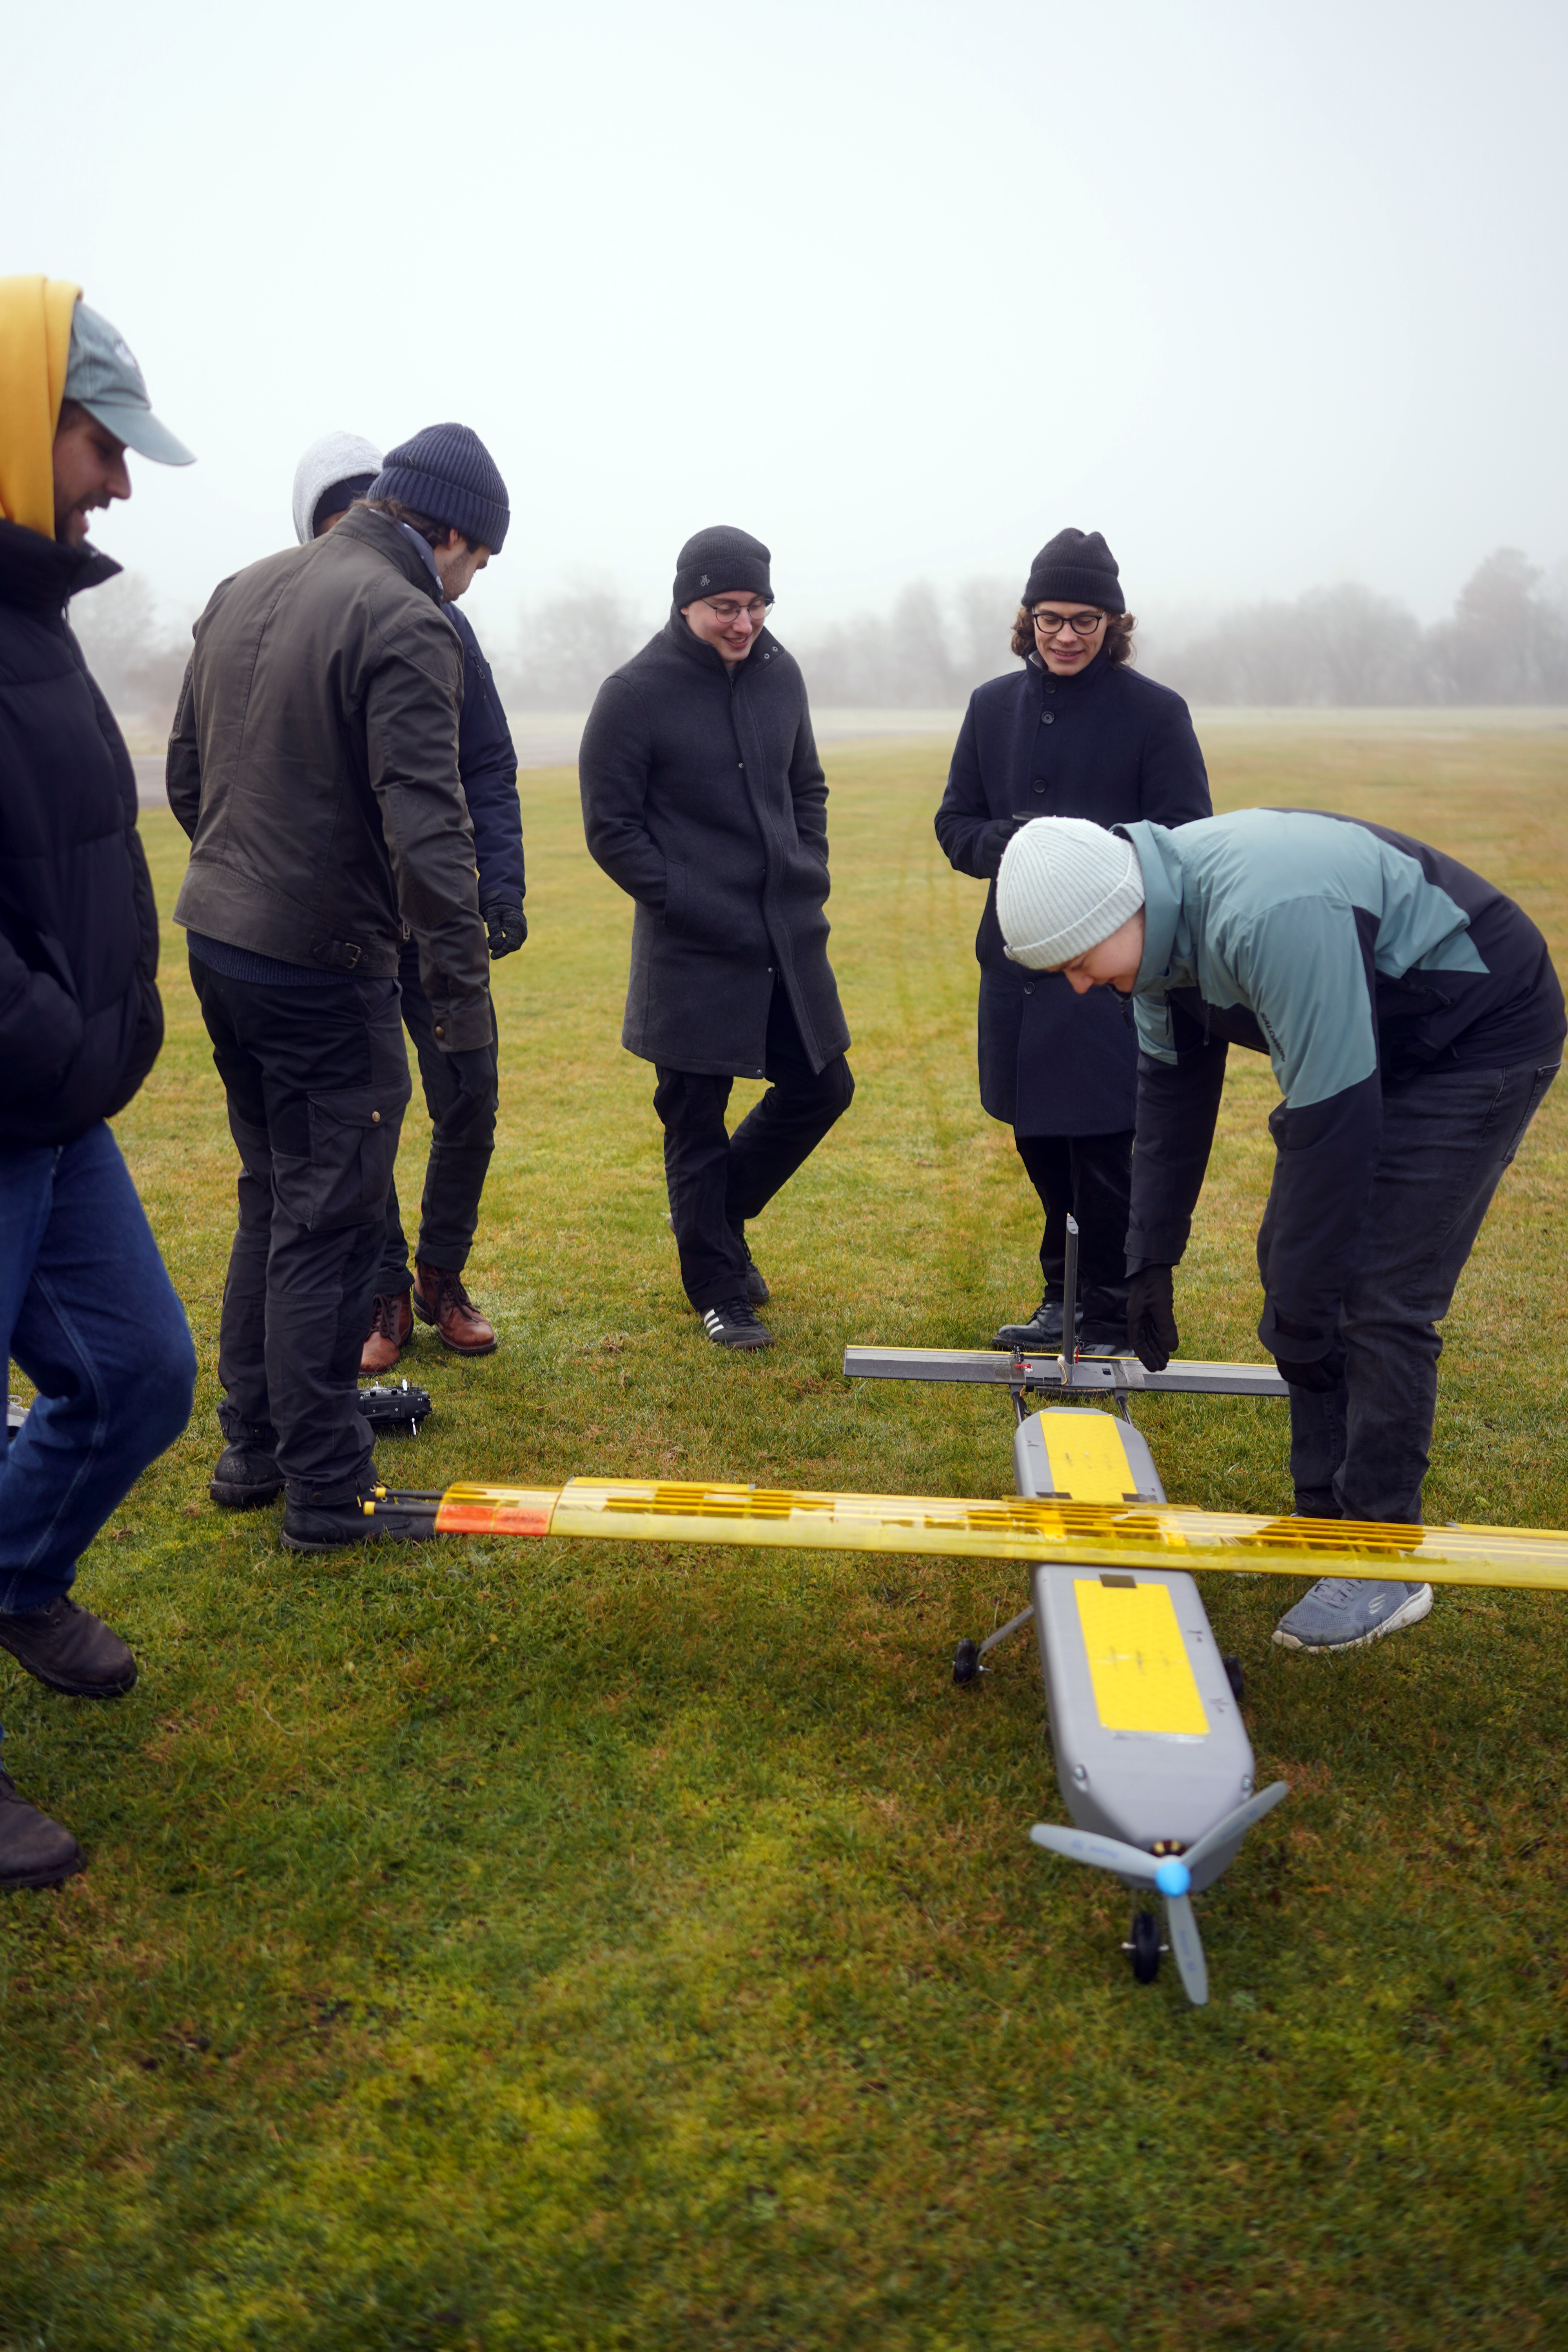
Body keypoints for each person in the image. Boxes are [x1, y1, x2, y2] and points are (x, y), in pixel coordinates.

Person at [996, 808, 1564, 1652]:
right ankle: (1324, 1526)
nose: (1078, 984)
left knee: (1375, 1295)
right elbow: (1170, 1104)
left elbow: (1332, 1124)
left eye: (1078, 962)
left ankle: (1382, 1558)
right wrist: (1148, 1258)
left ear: (1121, 912)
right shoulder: (1153, 941)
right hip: (1380, 1040)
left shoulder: (1265, 915)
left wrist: (1300, 1304)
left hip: (1473, 1036)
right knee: (1298, 1266)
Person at [167, 424, 507, 1551]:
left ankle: (250, 1443)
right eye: (480, 561)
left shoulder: (244, 587)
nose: (473, 584)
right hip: (321, 970)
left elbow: (187, 779)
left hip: (220, 943)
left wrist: (252, 880)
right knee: (328, 1216)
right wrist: (457, 1001)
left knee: (274, 1194)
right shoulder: (411, 619)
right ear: (448, 533)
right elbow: (431, 835)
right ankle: (324, 1486)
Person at [0, 276, 198, 1884]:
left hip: (50, 1113)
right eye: (100, 442)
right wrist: (55, 1040)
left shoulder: (31, 610)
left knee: (139, 1373)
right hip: (15, 1091)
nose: (120, 481)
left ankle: (15, 1575)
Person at [935, 529, 1210, 1353]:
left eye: (1084, 621)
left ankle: (1109, 1307)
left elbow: (1185, 836)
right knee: (1036, 1137)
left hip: (1110, 965)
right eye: (1050, 618)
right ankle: (1063, 1297)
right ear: (1026, 619)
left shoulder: (1155, 713)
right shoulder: (990, 707)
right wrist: (1010, 847)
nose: (1065, 635)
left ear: (1113, 624)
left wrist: (1089, 858)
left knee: (1101, 1144)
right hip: (1017, 968)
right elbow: (955, 826)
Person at [579, 525, 853, 1350]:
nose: (743, 623)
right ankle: (716, 1287)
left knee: (823, 1089)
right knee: (693, 1116)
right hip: (691, 951)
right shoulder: (632, 693)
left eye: (756, 605)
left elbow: (806, 785)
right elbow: (611, 830)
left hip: (786, 938)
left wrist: (807, 864)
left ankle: (715, 1218)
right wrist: (687, 901)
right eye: (723, 607)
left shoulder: (781, 673)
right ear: (685, 600)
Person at [288, 432, 526, 1374]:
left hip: (438, 925)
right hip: (346, 937)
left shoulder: (444, 625)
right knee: (369, 1119)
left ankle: (440, 1273)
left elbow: (488, 766)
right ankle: (384, 1287)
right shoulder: (306, 615)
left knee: (468, 1098)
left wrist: (497, 888)